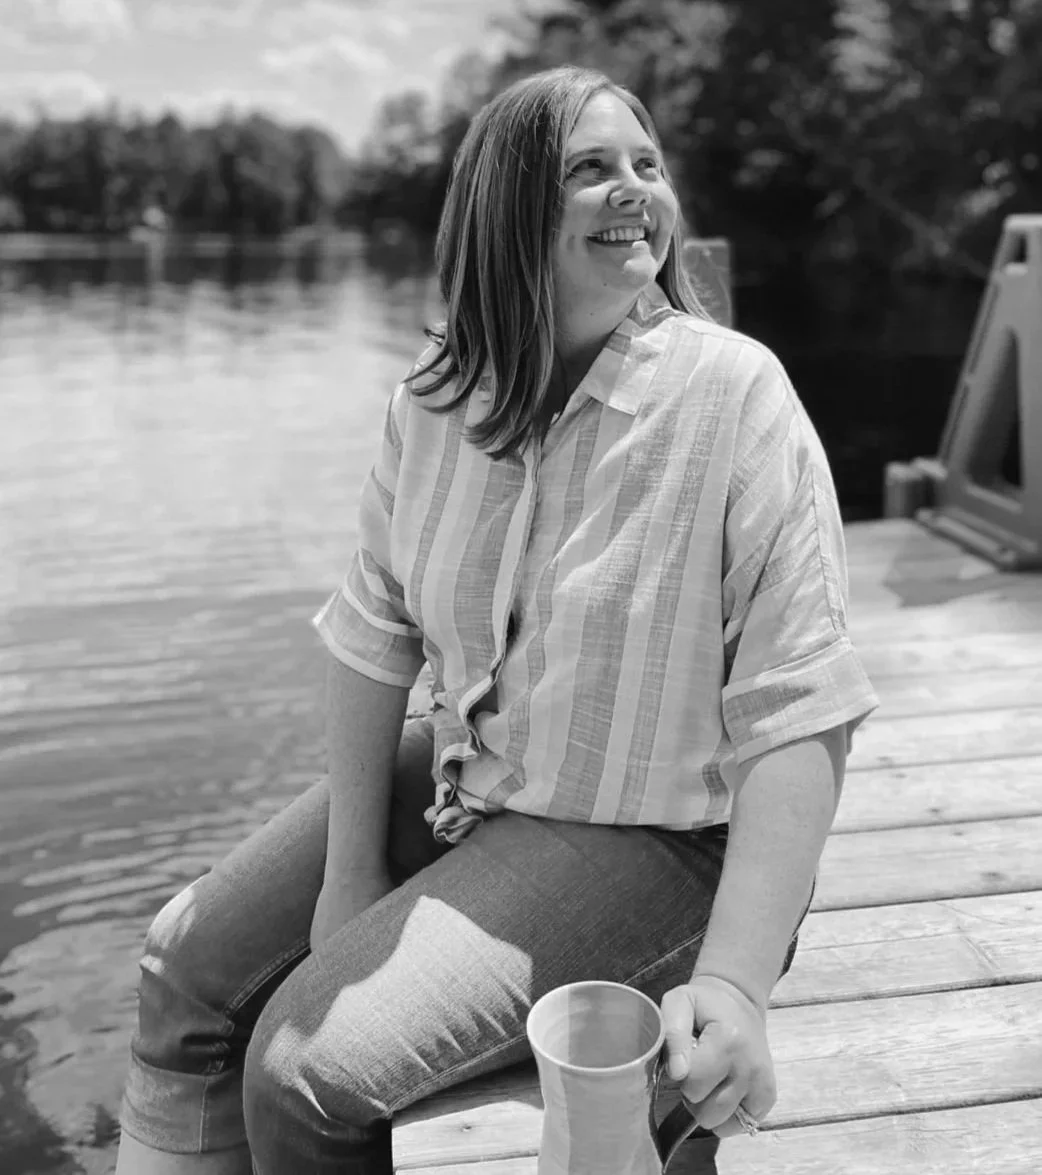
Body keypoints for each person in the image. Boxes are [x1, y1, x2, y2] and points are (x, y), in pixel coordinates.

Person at [114, 64, 879, 1175]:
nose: (636, 190)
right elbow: (375, 637)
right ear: (508, 207)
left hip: (663, 832)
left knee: (300, 1072)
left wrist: (732, 982)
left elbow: (800, 707)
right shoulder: (431, 396)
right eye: (590, 169)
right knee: (180, 965)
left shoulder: (735, 398)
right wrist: (350, 871)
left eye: (646, 165)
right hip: (479, 767)